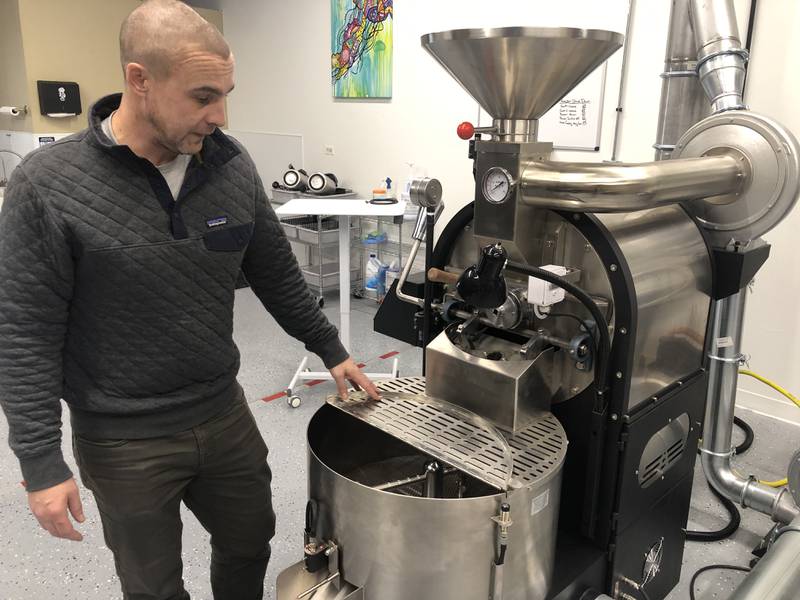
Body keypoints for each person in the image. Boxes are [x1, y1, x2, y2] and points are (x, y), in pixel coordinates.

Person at [0, 1, 379, 599]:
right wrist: (40, 463)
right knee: (153, 586)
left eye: (227, 94)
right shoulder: (48, 185)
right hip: (122, 436)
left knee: (250, 543)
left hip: (222, 411)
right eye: (203, 96)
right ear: (139, 80)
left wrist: (331, 350)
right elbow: (24, 331)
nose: (220, 115)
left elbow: (276, 272)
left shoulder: (229, 165)